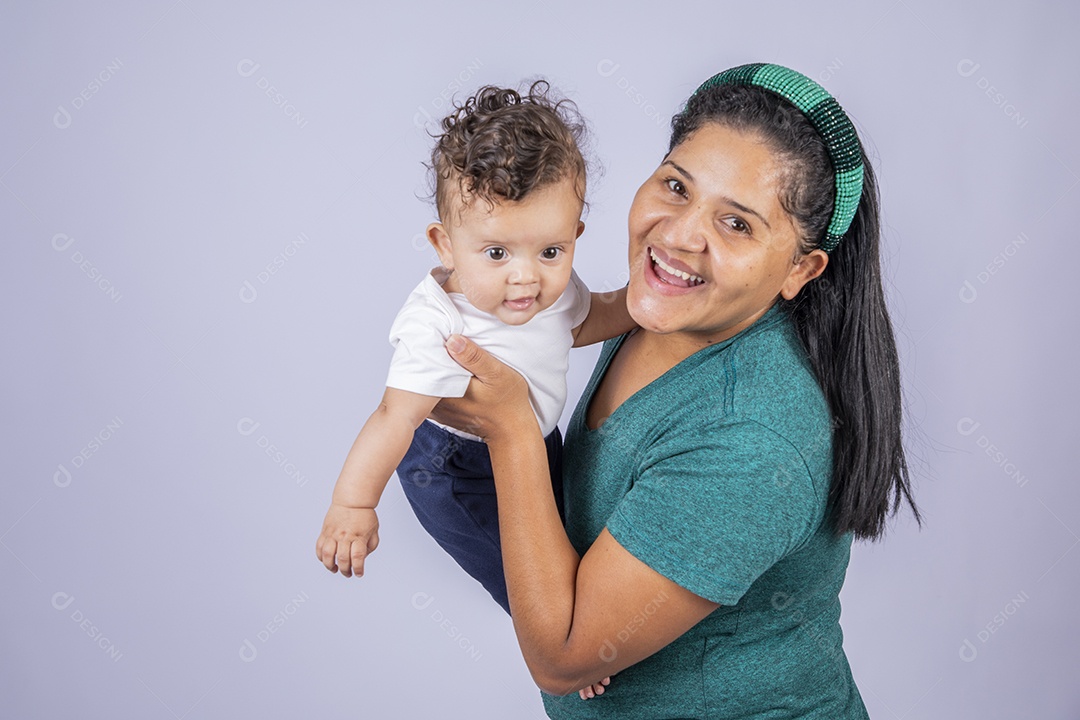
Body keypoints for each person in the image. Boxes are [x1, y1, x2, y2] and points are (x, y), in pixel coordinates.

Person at [430, 63, 922, 717]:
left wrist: (511, 427)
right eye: (676, 185)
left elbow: (561, 659)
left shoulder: (751, 435)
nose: (682, 235)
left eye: (738, 224)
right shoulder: (659, 309)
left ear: (800, 269)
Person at [314, 82, 635, 617]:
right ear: (445, 245)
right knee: (520, 571)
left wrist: (641, 305)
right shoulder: (435, 321)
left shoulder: (549, 286)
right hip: (454, 465)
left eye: (551, 249)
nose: (525, 276)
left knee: (563, 542)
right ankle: (563, 637)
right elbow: (394, 416)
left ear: (574, 235)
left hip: (535, 435)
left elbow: (583, 321)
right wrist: (353, 503)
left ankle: (585, 616)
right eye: (496, 252)